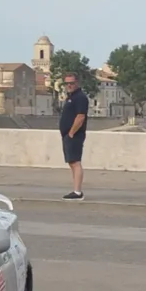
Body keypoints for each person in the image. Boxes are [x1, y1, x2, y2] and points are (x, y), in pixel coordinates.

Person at [57, 71, 90, 199]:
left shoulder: (80, 97)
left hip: (75, 135)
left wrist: (71, 133)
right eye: (67, 83)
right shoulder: (71, 97)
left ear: (77, 83)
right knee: (72, 162)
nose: (69, 85)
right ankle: (76, 190)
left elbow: (80, 117)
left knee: (75, 162)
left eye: (71, 83)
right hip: (68, 135)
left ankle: (77, 192)